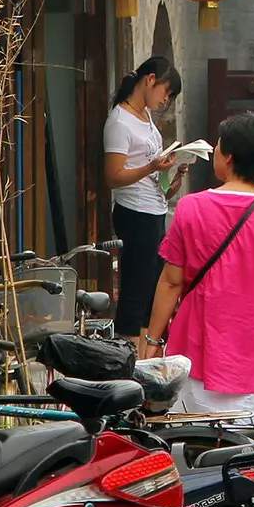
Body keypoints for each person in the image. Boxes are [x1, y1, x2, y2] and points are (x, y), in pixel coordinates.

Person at [138, 111, 254, 415]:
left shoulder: (190, 208)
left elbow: (171, 282)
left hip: (198, 358)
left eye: (218, 146)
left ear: (229, 157)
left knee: (195, 445)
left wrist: (152, 341)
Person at [104, 56, 182, 339]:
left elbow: (151, 171)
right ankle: (128, 358)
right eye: (166, 92)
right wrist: (151, 167)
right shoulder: (120, 121)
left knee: (152, 288)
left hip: (154, 208)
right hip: (134, 212)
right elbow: (113, 176)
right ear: (151, 80)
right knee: (136, 290)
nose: (166, 100)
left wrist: (173, 175)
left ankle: (144, 354)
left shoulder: (145, 117)